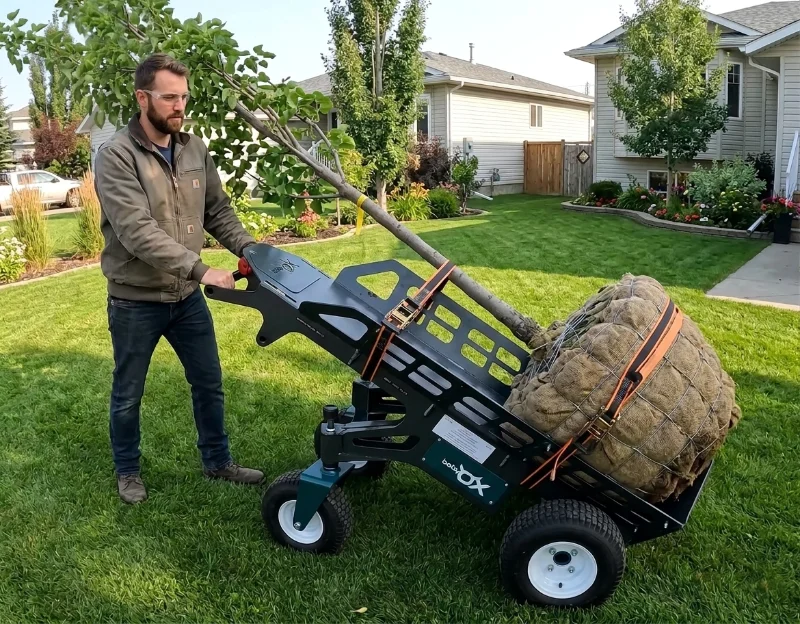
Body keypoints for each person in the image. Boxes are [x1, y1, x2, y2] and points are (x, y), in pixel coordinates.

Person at [94, 53, 264, 504]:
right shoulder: (115, 156)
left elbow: (217, 210)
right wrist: (202, 268)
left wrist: (250, 250)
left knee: (208, 381)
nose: (179, 106)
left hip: (186, 297)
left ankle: (218, 462)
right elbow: (137, 232)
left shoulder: (193, 149)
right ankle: (127, 471)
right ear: (142, 97)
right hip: (135, 300)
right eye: (170, 97)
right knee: (129, 393)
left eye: (183, 97)